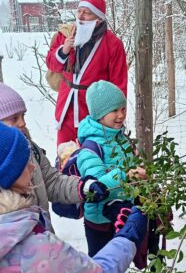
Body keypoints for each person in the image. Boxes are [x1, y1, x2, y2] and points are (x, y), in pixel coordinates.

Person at [0, 122, 148, 273]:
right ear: (8, 174)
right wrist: (128, 238)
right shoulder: (34, 249)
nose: (33, 167)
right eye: (24, 163)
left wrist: (84, 187)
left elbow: (51, 180)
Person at [0, 82, 110, 231]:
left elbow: (51, 181)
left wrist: (83, 187)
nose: (23, 122)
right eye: (14, 118)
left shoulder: (31, 149)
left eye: (23, 115)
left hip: (44, 242)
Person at [71, 80, 146, 257]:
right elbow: (96, 188)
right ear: (99, 114)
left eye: (123, 109)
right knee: (101, 266)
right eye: (114, 110)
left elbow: (132, 167)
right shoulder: (90, 147)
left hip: (120, 214)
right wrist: (126, 176)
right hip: (99, 222)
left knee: (117, 263)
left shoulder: (120, 138)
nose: (121, 115)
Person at [46, 0, 128, 145]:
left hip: (94, 111)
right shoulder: (65, 36)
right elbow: (52, 65)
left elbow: (119, 84)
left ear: (98, 18)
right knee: (64, 154)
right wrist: (64, 50)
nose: (81, 16)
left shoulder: (113, 44)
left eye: (87, 13)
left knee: (92, 155)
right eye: (79, 11)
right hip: (67, 107)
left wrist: (117, 115)